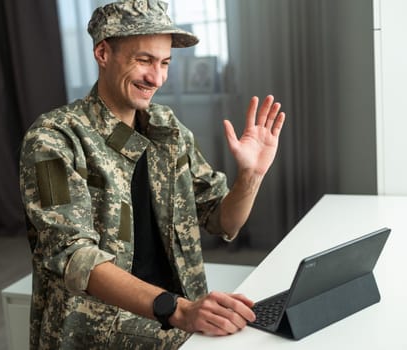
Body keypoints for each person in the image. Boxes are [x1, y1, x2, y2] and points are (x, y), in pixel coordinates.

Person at [19, 0, 285, 349]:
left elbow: (224, 221)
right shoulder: (55, 137)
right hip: (94, 329)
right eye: (143, 60)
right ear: (103, 53)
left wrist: (251, 174)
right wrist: (178, 310)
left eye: (165, 63)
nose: (156, 78)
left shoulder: (167, 128)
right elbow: (75, 257)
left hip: (176, 311)